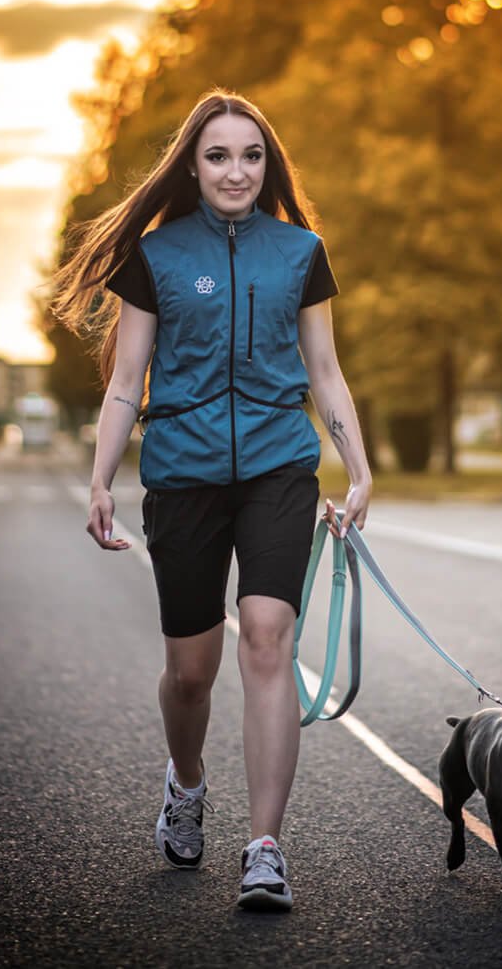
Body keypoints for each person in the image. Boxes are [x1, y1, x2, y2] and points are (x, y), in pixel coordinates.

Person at [52, 89, 372, 912]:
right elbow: (127, 381)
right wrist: (101, 479)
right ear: (192, 166)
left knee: (267, 638)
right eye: (220, 155)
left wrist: (357, 466)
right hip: (184, 476)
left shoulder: (301, 251)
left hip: (277, 469)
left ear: (269, 166)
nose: (237, 170)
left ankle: (265, 847)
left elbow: (326, 371)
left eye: (252, 155)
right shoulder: (157, 257)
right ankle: (186, 780)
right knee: (190, 674)